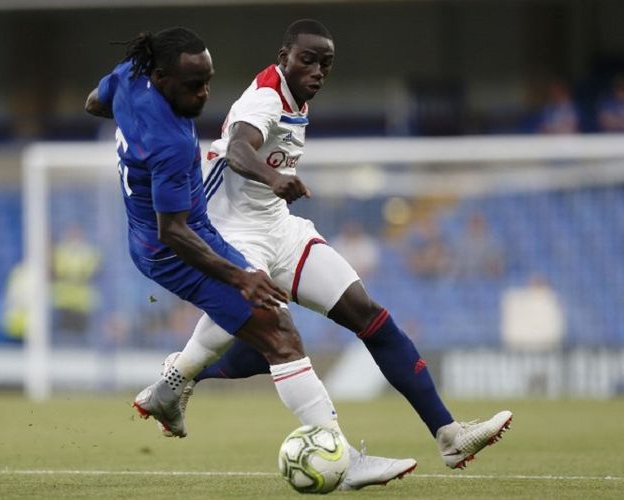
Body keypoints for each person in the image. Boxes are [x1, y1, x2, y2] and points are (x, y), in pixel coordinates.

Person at [159, 19, 512, 472]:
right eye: (307, 59)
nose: (317, 70)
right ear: (284, 54)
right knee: (277, 341)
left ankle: (450, 435)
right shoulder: (265, 97)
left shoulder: (296, 99)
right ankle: (185, 375)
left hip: (278, 228)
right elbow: (237, 149)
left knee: (369, 317)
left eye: (325, 63)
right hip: (234, 234)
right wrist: (274, 177)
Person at [85, 26, 415, 489]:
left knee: (265, 331)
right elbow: (174, 231)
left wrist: (132, 122)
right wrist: (241, 277)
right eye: (191, 85)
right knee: (280, 333)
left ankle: (171, 386)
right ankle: (339, 459)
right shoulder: (171, 144)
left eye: (208, 81)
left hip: (161, 235)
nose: (203, 94)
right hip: (176, 247)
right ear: (160, 78)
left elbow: (94, 103)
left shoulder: (128, 76)